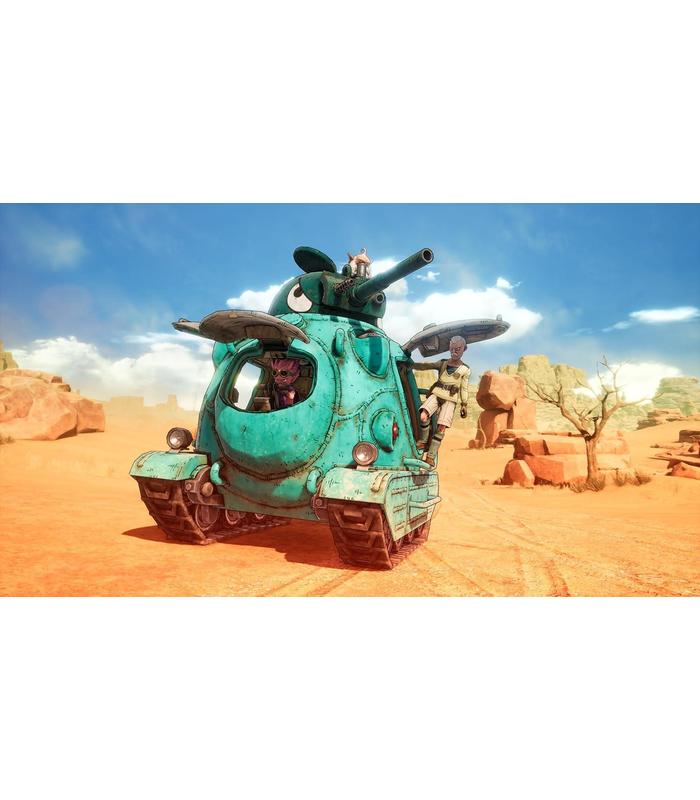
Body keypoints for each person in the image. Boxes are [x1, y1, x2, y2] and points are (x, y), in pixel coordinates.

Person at [412, 336, 470, 466]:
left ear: (464, 349)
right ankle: (423, 441)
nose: (454, 352)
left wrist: (464, 404)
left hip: (450, 399)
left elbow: (464, 388)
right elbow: (426, 366)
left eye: (458, 349)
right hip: (437, 393)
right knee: (423, 416)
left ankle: (431, 456)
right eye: (452, 349)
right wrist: (412, 364)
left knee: (441, 428)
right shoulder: (443, 363)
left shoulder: (465, 369)